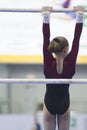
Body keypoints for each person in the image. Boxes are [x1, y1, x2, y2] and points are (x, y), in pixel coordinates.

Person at [41, 5, 84, 130]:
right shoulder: (70, 64)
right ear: (66, 50)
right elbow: (77, 39)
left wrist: (46, 16)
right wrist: (80, 15)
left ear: (52, 49)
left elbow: (45, 38)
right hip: (64, 104)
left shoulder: (49, 63)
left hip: (49, 103)